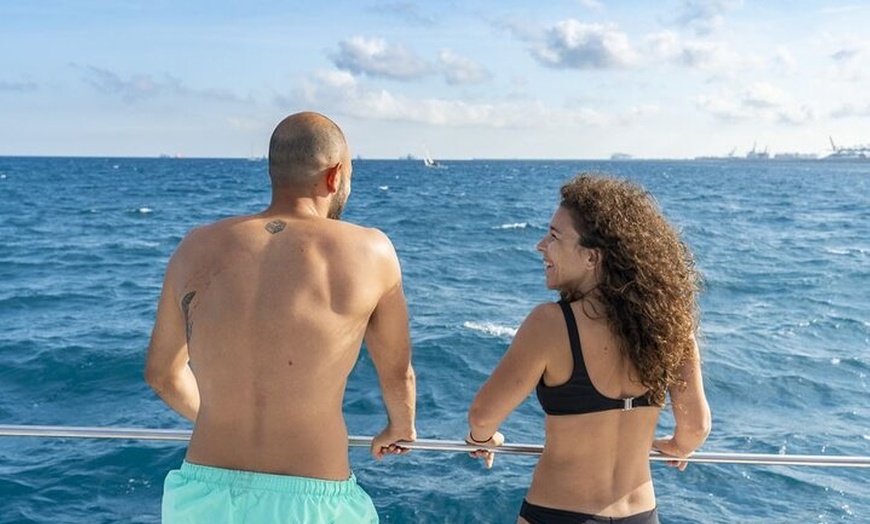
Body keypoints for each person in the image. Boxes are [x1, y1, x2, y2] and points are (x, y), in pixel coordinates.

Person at [145, 111, 417, 523]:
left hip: (203, 492)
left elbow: (162, 375)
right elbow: (397, 374)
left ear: (274, 172)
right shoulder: (370, 251)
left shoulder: (195, 248)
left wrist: (224, 413)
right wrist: (401, 427)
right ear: (334, 175)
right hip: (313, 499)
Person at [466, 174, 711, 524]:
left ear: (592, 258)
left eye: (553, 236)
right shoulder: (671, 326)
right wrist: (677, 446)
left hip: (557, 514)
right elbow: (696, 426)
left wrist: (483, 438)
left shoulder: (550, 324)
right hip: (639, 515)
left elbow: (482, 415)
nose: (540, 245)